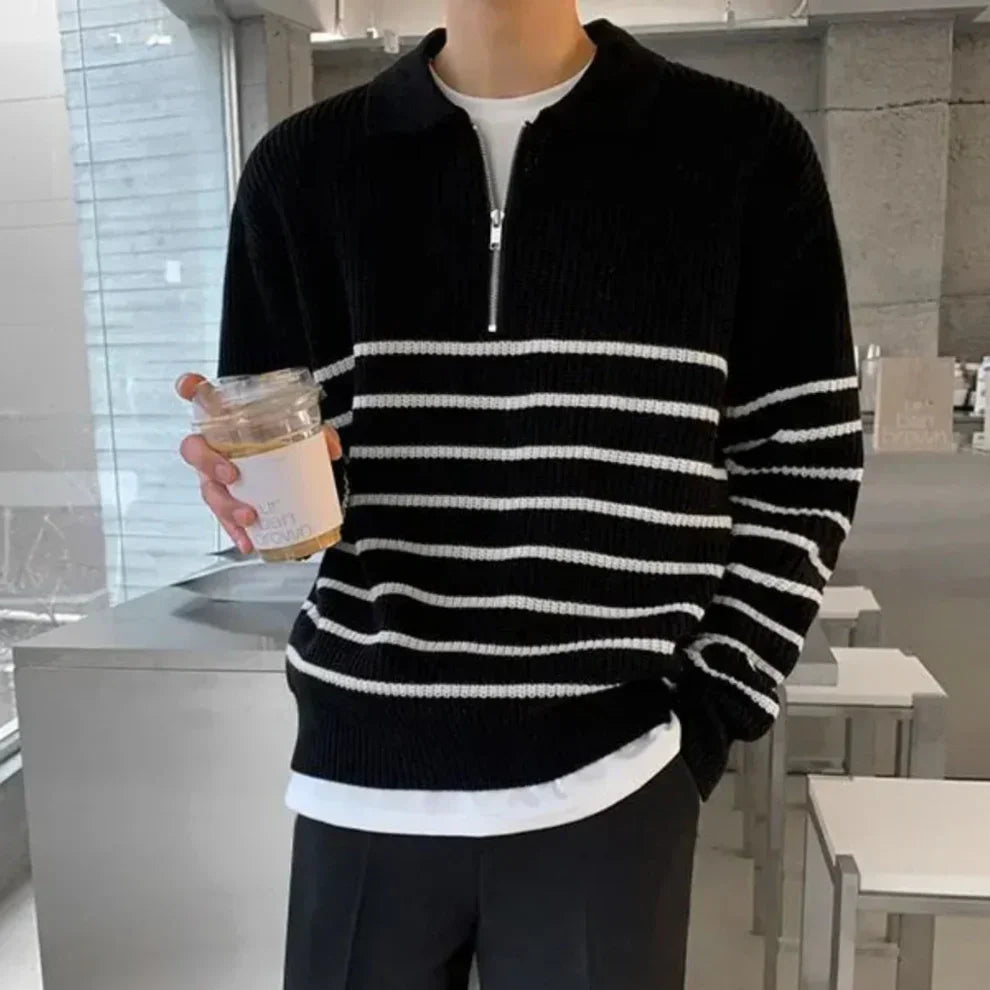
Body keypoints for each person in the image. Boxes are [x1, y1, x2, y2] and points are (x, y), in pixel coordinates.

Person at [177, 2, 864, 987]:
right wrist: (244, 488)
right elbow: (279, 453)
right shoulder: (302, 169)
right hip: (362, 766)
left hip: (617, 770)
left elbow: (804, 462)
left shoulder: (741, 152)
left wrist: (712, 710)